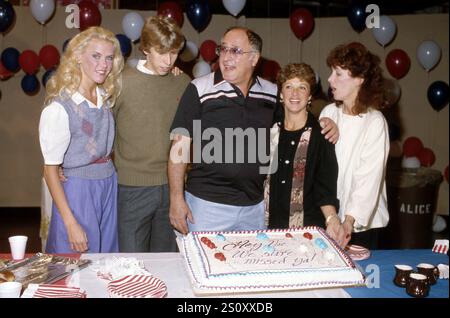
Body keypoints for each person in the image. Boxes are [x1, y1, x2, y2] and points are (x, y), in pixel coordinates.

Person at [168, 27, 339, 234]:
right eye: (223, 49)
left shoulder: (271, 93)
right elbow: (180, 147)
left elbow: (295, 120)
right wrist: (176, 198)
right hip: (206, 207)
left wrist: (324, 122)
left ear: (254, 58)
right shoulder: (199, 88)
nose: (226, 57)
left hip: (255, 210)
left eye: (236, 51)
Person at [39, 27, 124, 253]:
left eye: (108, 58)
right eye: (95, 56)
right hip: (78, 190)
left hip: (108, 182)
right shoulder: (60, 107)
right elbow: (50, 170)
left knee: (105, 262)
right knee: (75, 263)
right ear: (77, 57)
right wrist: (70, 222)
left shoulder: (105, 97)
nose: (103, 64)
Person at [112, 16, 190, 252]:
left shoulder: (183, 81)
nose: (168, 60)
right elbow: (101, 129)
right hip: (132, 188)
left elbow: (186, 137)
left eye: (174, 53)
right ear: (145, 48)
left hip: (173, 187)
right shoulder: (121, 82)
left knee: (167, 263)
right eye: (161, 52)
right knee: (132, 263)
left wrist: (181, 186)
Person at [320, 42, 390, 249]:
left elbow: (368, 179)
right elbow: (320, 170)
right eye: (331, 71)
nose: (330, 79)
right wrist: (332, 217)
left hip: (360, 227)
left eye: (338, 73)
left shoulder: (374, 122)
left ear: (360, 79)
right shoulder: (328, 113)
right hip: (329, 217)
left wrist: (348, 222)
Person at [264, 63, 342, 245]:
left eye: (302, 87)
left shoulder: (321, 134)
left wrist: (332, 219)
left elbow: (325, 188)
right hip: (267, 230)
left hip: (306, 234)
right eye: (289, 86)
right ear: (281, 94)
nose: (295, 93)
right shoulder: (269, 131)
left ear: (309, 96)